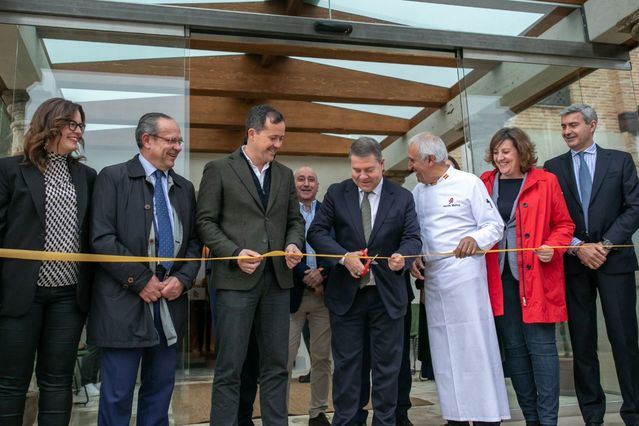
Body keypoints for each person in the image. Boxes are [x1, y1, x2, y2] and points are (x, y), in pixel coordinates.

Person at [88, 112, 202, 424]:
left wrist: (183, 278)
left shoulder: (184, 187)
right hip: (124, 304)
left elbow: (194, 242)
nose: (178, 146)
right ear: (146, 140)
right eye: (171, 140)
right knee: (117, 394)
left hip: (169, 300)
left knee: (160, 390)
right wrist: (140, 280)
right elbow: (101, 238)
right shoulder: (112, 178)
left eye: (179, 140)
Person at [196, 104, 305, 425]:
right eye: (273, 138)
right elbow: (205, 222)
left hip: (277, 284)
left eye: (282, 139)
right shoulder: (218, 169)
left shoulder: (285, 175)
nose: (278, 145)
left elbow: (294, 221)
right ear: (252, 133)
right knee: (230, 368)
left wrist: (293, 243)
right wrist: (232, 252)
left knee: (276, 366)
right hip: (234, 284)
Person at [307, 137, 422, 426]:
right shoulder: (336, 193)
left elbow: (413, 238)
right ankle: (347, 420)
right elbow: (317, 233)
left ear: (381, 164)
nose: (362, 176)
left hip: (388, 296)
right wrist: (344, 257)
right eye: (356, 170)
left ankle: (385, 421)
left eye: (368, 169)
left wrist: (403, 257)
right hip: (347, 296)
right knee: (348, 367)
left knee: (387, 368)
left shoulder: (403, 197)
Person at [0, 97, 96, 425]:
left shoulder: (87, 176)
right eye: (72, 123)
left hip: (68, 297)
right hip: (19, 296)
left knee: (57, 382)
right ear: (50, 124)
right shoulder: (9, 170)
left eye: (81, 125)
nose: (78, 131)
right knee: (10, 384)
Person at [544, 104, 639, 426]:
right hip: (574, 265)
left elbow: (634, 208)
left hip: (615, 263)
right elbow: (551, 218)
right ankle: (592, 416)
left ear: (592, 125)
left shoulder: (620, 161)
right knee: (582, 343)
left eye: (573, 125)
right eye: (563, 126)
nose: (567, 131)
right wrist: (577, 248)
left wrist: (605, 245)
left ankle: (634, 412)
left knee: (624, 339)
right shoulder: (551, 168)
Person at [408, 132, 509, 425]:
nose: (411, 166)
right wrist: (415, 257)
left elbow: (494, 226)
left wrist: (473, 238)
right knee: (443, 354)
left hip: (466, 279)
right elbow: (417, 236)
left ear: (429, 159)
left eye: (414, 160)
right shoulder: (416, 193)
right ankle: (455, 416)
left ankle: (487, 416)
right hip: (434, 284)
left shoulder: (469, 183)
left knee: (473, 349)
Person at [480, 127, 575, 426]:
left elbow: (564, 225)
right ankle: (531, 420)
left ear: (521, 151)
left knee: (542, 350)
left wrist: (554, 246)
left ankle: (548, 421)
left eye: (505, 151)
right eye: (496, 152)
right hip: (498, 279)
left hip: (536, 278)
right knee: (516, 350)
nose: (499, 158)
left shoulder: (546, 181)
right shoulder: (483, 183)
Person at [288, 166, 332, 426]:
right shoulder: (284, 212)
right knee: (283, 359)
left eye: (311, 179)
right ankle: (278, 413)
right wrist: (306, 274)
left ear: (317, 184)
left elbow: (337, 244)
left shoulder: (329, 211)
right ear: (294, 184)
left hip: (323, 296)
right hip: (292, 295)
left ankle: (318, 412)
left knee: (322, 358)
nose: (306, 184)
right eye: (300, 179)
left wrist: (322, 273)